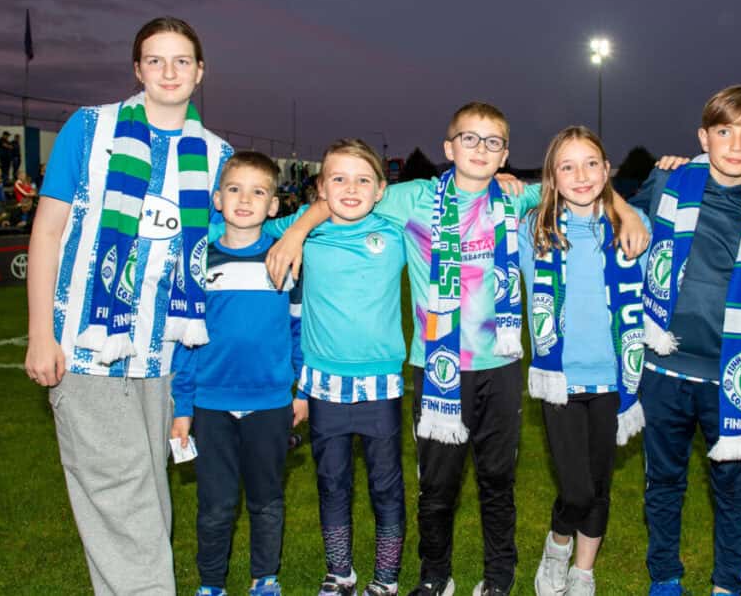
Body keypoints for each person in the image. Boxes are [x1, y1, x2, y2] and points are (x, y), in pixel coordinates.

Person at [266, 102, 649, 596]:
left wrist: (622, 206)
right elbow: (350, 194)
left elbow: (580, 186)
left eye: (493, 142)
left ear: (505, 153)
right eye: (469, 139)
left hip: (501, 365)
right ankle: (434, 576)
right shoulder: (410, 198)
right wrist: (298, 227)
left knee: (497, 481)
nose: (481, 149)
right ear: (449, 148)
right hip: (439, 367)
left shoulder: (517, 198)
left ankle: (498, 577)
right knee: (437, 486)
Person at [24, 16, 232, 595]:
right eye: (156, 60)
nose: (169, 71)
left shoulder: (218, 155)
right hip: (83, 348)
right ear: (137, 69)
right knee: (121, 492)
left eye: (182, 61)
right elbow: (47, 233)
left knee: (148, 501)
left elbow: (237, 238)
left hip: (161, 355)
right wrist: (41, 334)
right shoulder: (91, 128)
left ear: (200, 73)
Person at [630, 85, 741, 596]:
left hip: (732, 377)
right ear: (704, 136)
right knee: (664, 484)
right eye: (724, 131)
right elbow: (613, 223)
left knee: (732, 492)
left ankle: (728, 582)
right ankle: (665, 577)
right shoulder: (667, 184)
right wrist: (518, 188)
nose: (736, 144)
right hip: (662, 371)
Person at [519, 127, 650, 596]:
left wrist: (627, 207)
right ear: (551, 176)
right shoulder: (531, 225)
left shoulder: (630, 226)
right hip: (560, 379)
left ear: (607, 169)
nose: (581, 174)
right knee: (576, 489)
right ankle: (557, 545)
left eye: (591, 163)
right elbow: (488, 192)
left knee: (599, 486)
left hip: (616, 377)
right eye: (567, 166)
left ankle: (583, 571)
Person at [171, 151, 299, 596]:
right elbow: (185, 342)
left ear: (274, 206)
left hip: (271, 402)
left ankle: (265, 578)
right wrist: (182, 406)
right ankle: (211, 584)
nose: (245, 199)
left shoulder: (286, 259)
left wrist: (297, 391)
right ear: (217, 200)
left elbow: (299, 331)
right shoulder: (199, 262)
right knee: (216, 505)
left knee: (266, 501)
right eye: (234, 189)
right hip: (212, 403)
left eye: (258, 191)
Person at [295, 139, 408, 596]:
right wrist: (294, 230)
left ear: (381, 189)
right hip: (324, 387)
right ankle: (340, 573)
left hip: (380, 385)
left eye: (363, 179)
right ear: (321, 187)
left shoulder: (396, 230)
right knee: (331, 483)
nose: (351, 188)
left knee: (386, 487)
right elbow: (241, 222)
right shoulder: (303, 230)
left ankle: (385, 580)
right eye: (338, 178)